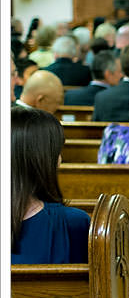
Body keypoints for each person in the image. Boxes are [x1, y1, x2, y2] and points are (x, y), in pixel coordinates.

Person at [11, 106, 90, 264]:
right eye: (58, 152)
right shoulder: (73, 224)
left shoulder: (74, 222)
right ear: (43, 159)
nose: (60, 159)